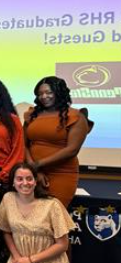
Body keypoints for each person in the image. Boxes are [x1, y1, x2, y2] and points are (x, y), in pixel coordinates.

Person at [0, 163, 77, 263]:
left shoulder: (52, 205)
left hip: (49, 262)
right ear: (13, 182)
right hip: (20, 259)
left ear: (35, 181)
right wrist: (17, 258)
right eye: (19, 179)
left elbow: (62, 245)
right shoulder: (8, 199)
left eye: (29, 179)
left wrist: (31, 260)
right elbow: (6, 231)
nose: (25, 183)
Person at [24, 76, 89, 207]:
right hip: (32, 173)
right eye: (40, 93)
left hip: (61, 174)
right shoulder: (32, 115)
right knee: (29, 217)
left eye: (49, 92)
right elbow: (23, 144)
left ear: (59, 93)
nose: (44, 96)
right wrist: (34, 169)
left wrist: (38, 165)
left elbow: (72, 150)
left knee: (52, 218)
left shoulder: (76, 116)